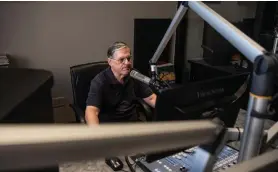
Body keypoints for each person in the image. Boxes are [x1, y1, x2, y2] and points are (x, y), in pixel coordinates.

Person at [85, 41, 157, 125]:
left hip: (132, 124)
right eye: (121, 59)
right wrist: (97, 134)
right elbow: (91, 111)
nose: (127, 63)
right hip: (111, 127)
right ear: (110, 62)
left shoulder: (134, 74)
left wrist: (171, 111)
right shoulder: (99, 81)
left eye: (128, 58)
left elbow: (151, 98)